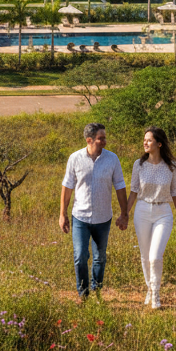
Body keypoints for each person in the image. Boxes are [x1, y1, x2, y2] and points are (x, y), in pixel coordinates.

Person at [59, 122, 129, 302]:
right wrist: (62, 214)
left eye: (105, 137)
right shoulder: (75, 158)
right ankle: (83, 294)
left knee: (100, 258)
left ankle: (96, 290)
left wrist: (124, 213)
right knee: (80, 256)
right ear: (89, 140)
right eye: (101, 138)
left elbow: (120, 186)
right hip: (80, 217)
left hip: (103, 217)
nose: (105, 141)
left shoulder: (112, 159)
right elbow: (67, 187)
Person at [126, 126, 176, 309]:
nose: (145, 142)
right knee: (145, 256)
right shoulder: (139, 164)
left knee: (155, 256)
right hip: (142, 210)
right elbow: (134, 190)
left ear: (159, 144)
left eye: (149, 140)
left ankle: (156, 295)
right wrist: (124, 214)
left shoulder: (172, 167)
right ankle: (150, 289)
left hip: (163, 213)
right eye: (144, 139)